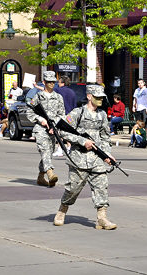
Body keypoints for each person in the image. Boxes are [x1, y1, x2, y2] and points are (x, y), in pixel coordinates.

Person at [52, 84, 117, 230]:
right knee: (73, 189)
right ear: (89, 96)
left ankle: (102, 218)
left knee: (101, 187)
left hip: (97, 158)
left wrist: (106, 153)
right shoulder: (77, 113)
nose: (100, 100)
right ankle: (62, 211)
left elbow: (105, 137)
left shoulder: (102, 115)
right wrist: (82, 141)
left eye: (101, 98)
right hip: (79, 158)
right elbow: (62, 131)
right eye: (97, 97)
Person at [26, 71, 65, 188]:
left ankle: (40, 176)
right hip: (40, 129)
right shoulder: (38, 97)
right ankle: (50, 173)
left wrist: (55, 126)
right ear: (44, 82)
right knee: (45, 151)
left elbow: (62, 114)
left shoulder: (58, 97)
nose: (51, 84)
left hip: (53, 129)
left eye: (53, 82)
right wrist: (40, 119)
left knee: (50, 151)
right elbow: (30, 112)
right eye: (49, 82)